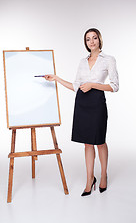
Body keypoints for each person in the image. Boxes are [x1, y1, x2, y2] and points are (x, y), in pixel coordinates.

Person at [44, 28, 119, 196]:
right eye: (88, 39)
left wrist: (93, 85)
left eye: (94, 38)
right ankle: (89, 179)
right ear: (85, 43)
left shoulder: (108, 60)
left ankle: (103, 175)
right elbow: (75, 86)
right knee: (87, 143)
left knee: (99, 141)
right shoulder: (82, 62)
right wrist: (56, 78)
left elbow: (114, 86)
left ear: (99, 39)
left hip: (97, 102)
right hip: (82, 103)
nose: (91, 42)